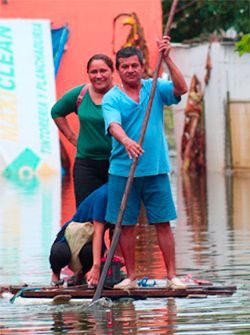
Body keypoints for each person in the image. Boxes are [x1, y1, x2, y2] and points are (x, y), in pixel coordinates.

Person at [102, 35, 188, 289]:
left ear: (142, 66)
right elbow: (113, 124)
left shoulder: (155, 88)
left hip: (156, 169)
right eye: (125, 66)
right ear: (118, 71)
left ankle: (172, 276)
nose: (130, 70)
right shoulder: (112, 97)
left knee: (163, 222)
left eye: (134, 65)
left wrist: (169, 58)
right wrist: (127, 141)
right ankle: (131, 277)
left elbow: (181, 89)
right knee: (125, 226)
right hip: (122, 171)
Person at [51, 54, 114, 207]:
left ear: (112, 72)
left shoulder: (121, 96)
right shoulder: (81, 94)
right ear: (88, 73)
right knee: (86, 216)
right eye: (93, 72)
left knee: (117, 217)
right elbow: (56, 112)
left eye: (103, 71)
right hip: (87, 165)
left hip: (117, 164)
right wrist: (72, 137)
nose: (98, 76)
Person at [49, 183, 109, 287]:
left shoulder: (121, 197)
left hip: (88, 242)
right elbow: (97, 232)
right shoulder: (103, 196)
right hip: (70, 237)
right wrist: (96, 266)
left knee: (91, 253)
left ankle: (81, 276)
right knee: (59, 253)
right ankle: (55, 277)